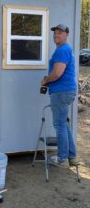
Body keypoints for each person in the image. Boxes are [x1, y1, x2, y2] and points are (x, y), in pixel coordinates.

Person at [41, 24, 78, 168]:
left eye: (60, 32)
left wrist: (45, 80)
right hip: (65, 91)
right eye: (55, 32)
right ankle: (72, 156)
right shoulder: (65, 49)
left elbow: (57, 74)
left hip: (61, 92)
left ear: (66, 35)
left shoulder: (62, 50)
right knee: (64, 124)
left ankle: (62, 159)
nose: (56, 35)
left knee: (59, 125)